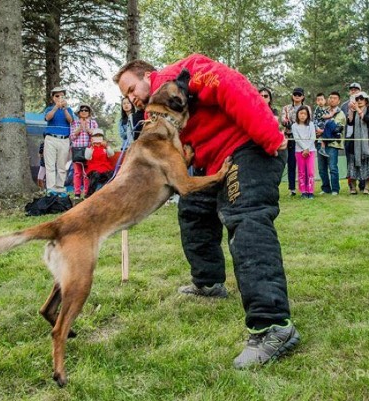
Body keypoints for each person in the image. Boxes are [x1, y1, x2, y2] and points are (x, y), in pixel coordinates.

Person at [114, 54, 298, 369]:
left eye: (131, 89)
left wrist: (271, 137)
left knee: (245, 219)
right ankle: (208, 282)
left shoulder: (179, 76)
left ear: (148, 75)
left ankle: (272, 326)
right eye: (125, 96)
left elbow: (230, 85)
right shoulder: (160, 111)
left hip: (251, 147)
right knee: (193, 210)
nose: (130, 98)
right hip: (215, 160)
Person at [43, 87, 74, 196]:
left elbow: (70, 120)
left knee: (62, 165)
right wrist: (56, 107)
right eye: (57, 96)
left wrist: (64, 108)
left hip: (64, 139)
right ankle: (51, 188)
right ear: (53, 98)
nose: (59, 98)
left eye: (62, 96)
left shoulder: (68, 110)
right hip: (51, 138)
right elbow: (48, 117)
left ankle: (60, 187)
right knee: (50, 165)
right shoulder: (49, 109)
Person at [346, 91, 369, 195]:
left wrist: (358, 110)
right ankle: (353, 188)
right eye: (357, 99)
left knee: (368, 165)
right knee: (352, 165)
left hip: (368, 143)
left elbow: (367, 119)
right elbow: (350, 122)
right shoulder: (354, 111)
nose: (359, 101)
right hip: (354, 143)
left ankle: (367, 188)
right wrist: (351, 110)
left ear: (366, 101)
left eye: (361, 99)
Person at [281, 87, 310, 196]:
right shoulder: (286, 108)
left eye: (299, 94)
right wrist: (287, 123)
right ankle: (292, 189)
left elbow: (308, 121)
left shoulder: (307, 108)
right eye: (295, 94)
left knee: (304, 164)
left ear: (303, 96)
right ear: (292, 96)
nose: (297, 96)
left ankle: (306, 187)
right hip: (291, 138)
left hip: (303, 139)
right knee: (291, 164)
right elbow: (283, 120)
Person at [317, 91, 345, 195]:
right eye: (330, 97)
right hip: (320, 142)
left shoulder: (340, 113)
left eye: (334, 98)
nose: (331, 99)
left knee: (333, 167)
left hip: (332, 144)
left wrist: (322, 130)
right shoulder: (323, 111)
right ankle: (325, 188)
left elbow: (336, 129)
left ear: (338, 100)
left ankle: (335, 189)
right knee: (321, 168)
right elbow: (318, 123)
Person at [70, 104, 96, 199]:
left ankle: (86, 192)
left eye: (86, 110)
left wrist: (88, 129)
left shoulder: (93, 123)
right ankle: (77, 193)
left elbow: (97, 135)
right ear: (78, 112)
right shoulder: (74, 123)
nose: (84, 112)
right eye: (82, 110)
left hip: (88, 150)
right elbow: (72, 137)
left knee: (87, 173)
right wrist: (80, 128)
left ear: (89, 113)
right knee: (77, 172)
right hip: (77, 149)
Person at [342, 83, 365, 191]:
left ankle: (363, 182)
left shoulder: (365, 103)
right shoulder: (344, 105)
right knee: (350, 161)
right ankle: (351, 184)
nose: (354, 91)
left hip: (362, 136)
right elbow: (342, 121)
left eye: (356, 89)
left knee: (362, 159)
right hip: (349, 136)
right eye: (352, 90)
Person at [292, 106, 316, 198]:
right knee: (301, 172)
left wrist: (307, 148)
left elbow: (313, 137)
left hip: (311, 150)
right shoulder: (294, 126)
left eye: (305, 114)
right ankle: (303, 191)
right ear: (297, 114)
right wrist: (303, 148)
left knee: (310, 171)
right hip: (299, 151)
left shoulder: (311, 124)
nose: (302, 116)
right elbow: (296, 138)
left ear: (308, 115)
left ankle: (310, 191)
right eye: (301, 113)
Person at [84, 129, 114, 197]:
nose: (98, 138)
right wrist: (91, 146)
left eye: (99, 136)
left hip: (104, 168)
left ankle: (104, 193)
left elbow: (111, 154)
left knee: (110, 175)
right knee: (96, 174)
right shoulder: (90, 148)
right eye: (96, 136)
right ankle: (89, 195)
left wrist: (107, 146)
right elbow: (87, 157)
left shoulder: (104, 147)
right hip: (93, 169)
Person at [313, 93, 329, 158]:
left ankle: (322, 148)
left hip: (324, 128)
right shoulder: (317, 110)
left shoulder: (326, 109)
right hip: (319, 127)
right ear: (316, 102)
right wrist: (317, 128)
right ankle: (320, 148)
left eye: (321, 100)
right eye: (318, 100)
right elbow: (314, 120)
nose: (320, 101)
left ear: (325, 101)